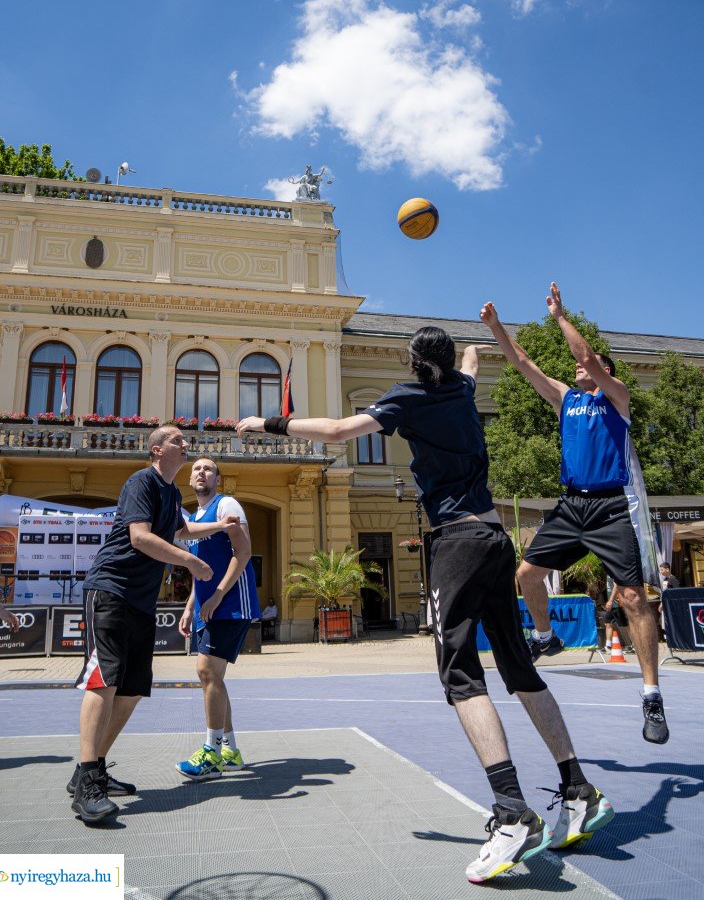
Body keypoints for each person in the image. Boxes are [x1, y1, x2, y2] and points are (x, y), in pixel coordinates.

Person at [238, 325, 614, 883]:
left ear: (413, 362)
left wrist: (267, 423)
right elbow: (470, 363)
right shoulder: (461, 391)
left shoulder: (408, 396)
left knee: (461, 677)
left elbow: (341, 430)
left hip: (457, 542)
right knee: (518, 667)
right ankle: (576, 787)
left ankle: (511, 810)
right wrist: (474, 342)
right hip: (493, 538)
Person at [481, 286, 669, 745]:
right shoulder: (567, 398)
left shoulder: (617, 399)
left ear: (605, 371)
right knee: (525, 576)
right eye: (579, 365)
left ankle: (650, 695)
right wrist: (497, 329)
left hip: (609, 506)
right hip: (571, 504)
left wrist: (560, 317)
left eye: (589, 363)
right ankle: (545, 636)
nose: (579, 365)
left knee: (631, 599)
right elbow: (524, 364)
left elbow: (583, 350)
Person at [70, 426, 223, 825]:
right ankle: (87, 784)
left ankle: (93, 767)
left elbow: (181, 531)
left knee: (133, 689)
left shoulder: (172, 494)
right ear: (157, 451)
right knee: (105, 680)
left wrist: (222, 527)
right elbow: (139, 537)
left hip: (140, 600)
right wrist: (189, 561)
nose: (185, 444)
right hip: (111, 590)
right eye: (177, 440)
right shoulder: (142, 481)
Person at [175, 456, 260, 781]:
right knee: (214, 678)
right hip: (209, 605)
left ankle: (211, 752)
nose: (201, 472)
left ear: (217, 478)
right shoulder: (194, 517)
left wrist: (218, 595)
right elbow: (201, 570)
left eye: (208, 469)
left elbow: (243, 553)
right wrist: (189, 605)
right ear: (191, 478)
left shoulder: (228, 506)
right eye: (196, 468)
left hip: (231, 603)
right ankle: (231, 751)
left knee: (206, 671)